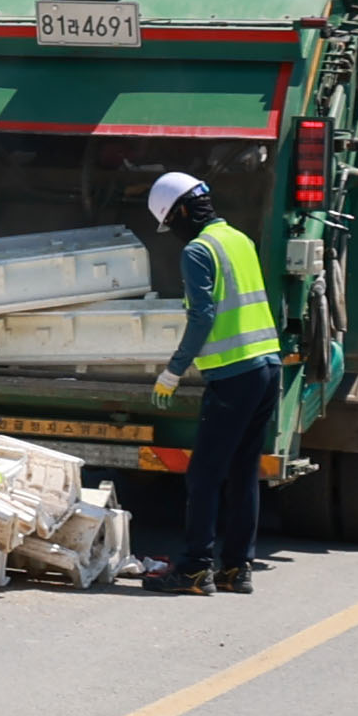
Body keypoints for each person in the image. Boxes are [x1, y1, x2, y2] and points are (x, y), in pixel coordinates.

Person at [136, 171, 283, 595]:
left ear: (182, 211)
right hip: (266, 367)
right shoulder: (239, 239)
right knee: (242, 472)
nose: (174, 233)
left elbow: (203, 316)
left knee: (203, 474)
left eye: (171, 223)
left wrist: (174, 370)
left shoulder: (199, 251)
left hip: (234, 375)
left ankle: (195, 568)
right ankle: (238, 568)